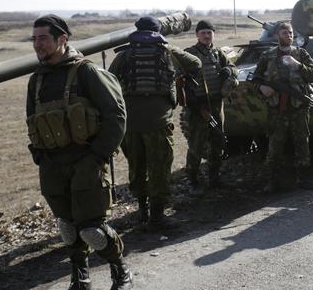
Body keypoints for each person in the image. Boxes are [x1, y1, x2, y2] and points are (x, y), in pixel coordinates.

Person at [26, 15, 132, 289]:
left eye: (43, 38)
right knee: (67, 227)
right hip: (52, 165)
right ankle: (80, 276)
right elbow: (32, 119)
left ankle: (121, 271)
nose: (37, 44)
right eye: (34, 38)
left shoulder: (86, 72)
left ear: (62, 39)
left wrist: (97, 157)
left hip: (86, 160)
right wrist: (39, 154)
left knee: (91, 229)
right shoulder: (36, 79)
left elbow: (116, 117)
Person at [108, 16, 201, 229]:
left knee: (137, 167)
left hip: (131, 124)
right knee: (159, 169)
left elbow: (109, 80)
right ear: (158, 31)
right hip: (159, 123)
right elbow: (196, 63)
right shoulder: (168, 52)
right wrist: (178, 75)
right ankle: (157, 216)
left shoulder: (124, 55)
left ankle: (142, 210)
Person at [253, 22, 313, 193]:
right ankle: (273, 181)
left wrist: (297, 64)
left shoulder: (301, 54)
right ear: (277, 36)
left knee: (301, 142)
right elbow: (256, 79)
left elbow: (312, 76)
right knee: (275, 144)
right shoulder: (267, 56)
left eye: (290, 33)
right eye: (284, 33)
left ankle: (303, 178)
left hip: (298, 107)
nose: (288, 36)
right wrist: (261, 88)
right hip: (277, 108)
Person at [181, 20, 237, 193]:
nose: (207, 35)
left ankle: (214, 178)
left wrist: (229, 70)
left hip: (216, 104)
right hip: (198, 107)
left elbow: (233, 67)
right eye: (203, 32)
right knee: (197, 145)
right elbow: (181, 80)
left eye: (209, 32)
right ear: (197, 35)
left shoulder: (217, 52)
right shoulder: (189, 54)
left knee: (217, 140)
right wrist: (195, 105)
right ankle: (192, 180)